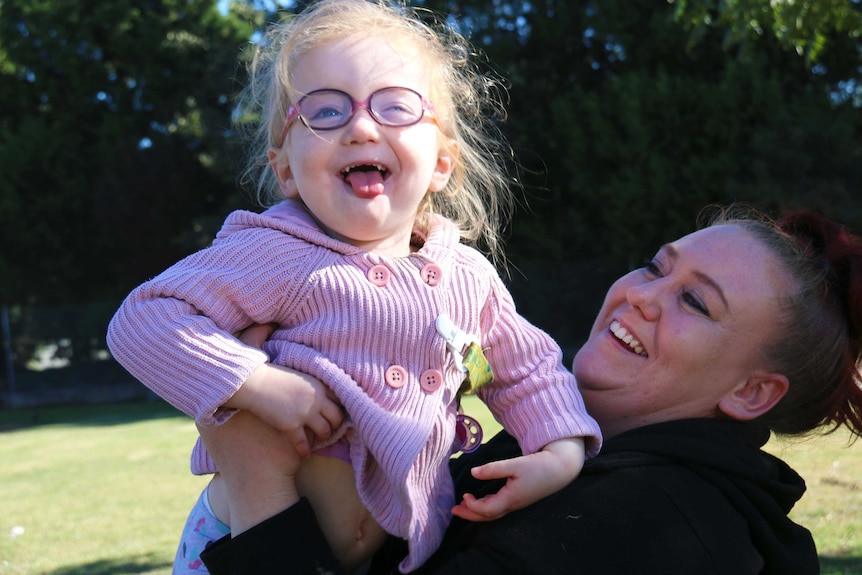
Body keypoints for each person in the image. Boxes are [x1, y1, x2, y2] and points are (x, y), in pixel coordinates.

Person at [105, 1, 601, 573]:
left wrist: (561, 455)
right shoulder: (274, 251)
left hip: (388, 556)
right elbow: (143, 319)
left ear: (441, 163)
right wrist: (256, 383)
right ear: (286, 169)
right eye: (325, 112)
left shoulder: (469, 278)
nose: (362, 127)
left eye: (395, 107)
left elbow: (529, 370)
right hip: (238, 544)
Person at [196, 205, 862, 575]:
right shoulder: (561, 445)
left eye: (695, 301)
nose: (640, 295)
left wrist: (254, 470)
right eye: (656, 266)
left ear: (751, 393)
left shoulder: (656, 525)